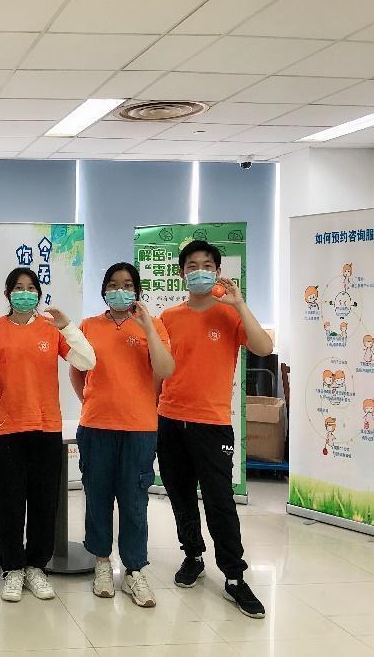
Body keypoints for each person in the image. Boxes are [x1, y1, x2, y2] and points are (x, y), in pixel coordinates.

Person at [157, 240, 273, 619]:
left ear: (218, 272)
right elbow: (158, 368)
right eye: (192, 265)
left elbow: (263, 346)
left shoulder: (229, 314)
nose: (200, 271)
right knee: (180, 496)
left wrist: (240, 304)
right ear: (182, 273)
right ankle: (192, 555)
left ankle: (235, 577)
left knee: (220, 501)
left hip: (212, 424)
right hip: (170, 419)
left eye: (207, 265)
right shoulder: (169, 317)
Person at [0, 267, 96, 603]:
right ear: (8, 294)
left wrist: (67, 326)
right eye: (18, 287)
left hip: (46, 427)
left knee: (44, 502)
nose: (25, 293)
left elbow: (87, 361)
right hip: (7, 427)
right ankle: (12, 568)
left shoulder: (50, 328)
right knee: (8, 503)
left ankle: (36, 567)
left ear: (38, 294)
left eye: (31, 287)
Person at [69, 263, 174, 608]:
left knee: (134, 501)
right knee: (97, 496)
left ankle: (134, 570)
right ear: (104, 290)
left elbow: (165, 369)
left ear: (137, 291)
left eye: (127, 285)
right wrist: (92, 403)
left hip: (139, 429)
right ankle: (102, 563)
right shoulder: (89, 326)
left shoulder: (152, 324)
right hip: (96, 427)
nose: (120, 291)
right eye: (113, 285)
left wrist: (148, 328)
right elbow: (77, 372)